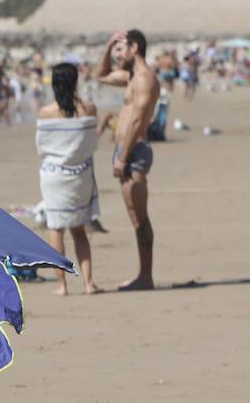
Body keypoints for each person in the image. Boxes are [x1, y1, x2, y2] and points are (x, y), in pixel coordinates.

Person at [95, 29, 160, 291]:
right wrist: (109, 42)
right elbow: (99, 75)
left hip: (134, 151)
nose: (117, 55)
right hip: (125, 150)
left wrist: (122, 157)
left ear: (135, 49)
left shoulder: (144, 79)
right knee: (135, 215)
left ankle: (146, 276)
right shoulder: (131, 77)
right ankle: (143, 275)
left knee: (140, 217)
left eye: (121, 50)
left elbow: (136, 120)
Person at [37, 63, 101, 296]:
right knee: (79, 230)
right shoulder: (89, 109)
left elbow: (42, 147)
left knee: (56, 228)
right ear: (75, 82)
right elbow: (91, 143)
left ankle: (62, 285)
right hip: (80, 175)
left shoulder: (45, 113)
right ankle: (89, 283)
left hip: (54, 176)